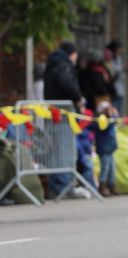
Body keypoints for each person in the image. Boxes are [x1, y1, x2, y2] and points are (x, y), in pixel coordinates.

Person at [43, 41, 85, 198]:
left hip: (53, 114)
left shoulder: (52, 65)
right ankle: (65, 186)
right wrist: (78, 97)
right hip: (63, 115)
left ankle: (56, 186)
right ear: (71, 53)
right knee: (65, 150)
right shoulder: (64, 66)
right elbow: (66, 83)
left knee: (56, 151)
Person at [79, 49, 119, 196]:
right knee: (107, 156)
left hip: (92, 114)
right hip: (102, 114)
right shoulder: (101, 74)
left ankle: (110, 183)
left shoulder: (84, 74)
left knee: (107, 156)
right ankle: (105, 184)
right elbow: (108, 91)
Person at [105, 40, 126, 116]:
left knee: (118, 112)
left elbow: (121, 74)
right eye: (119, 49)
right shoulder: (109, 60)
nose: (121, 51)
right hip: (112, 90)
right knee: (113, 113)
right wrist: (119, 71)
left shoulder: (119, 58)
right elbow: (112, 74)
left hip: (119, 90)